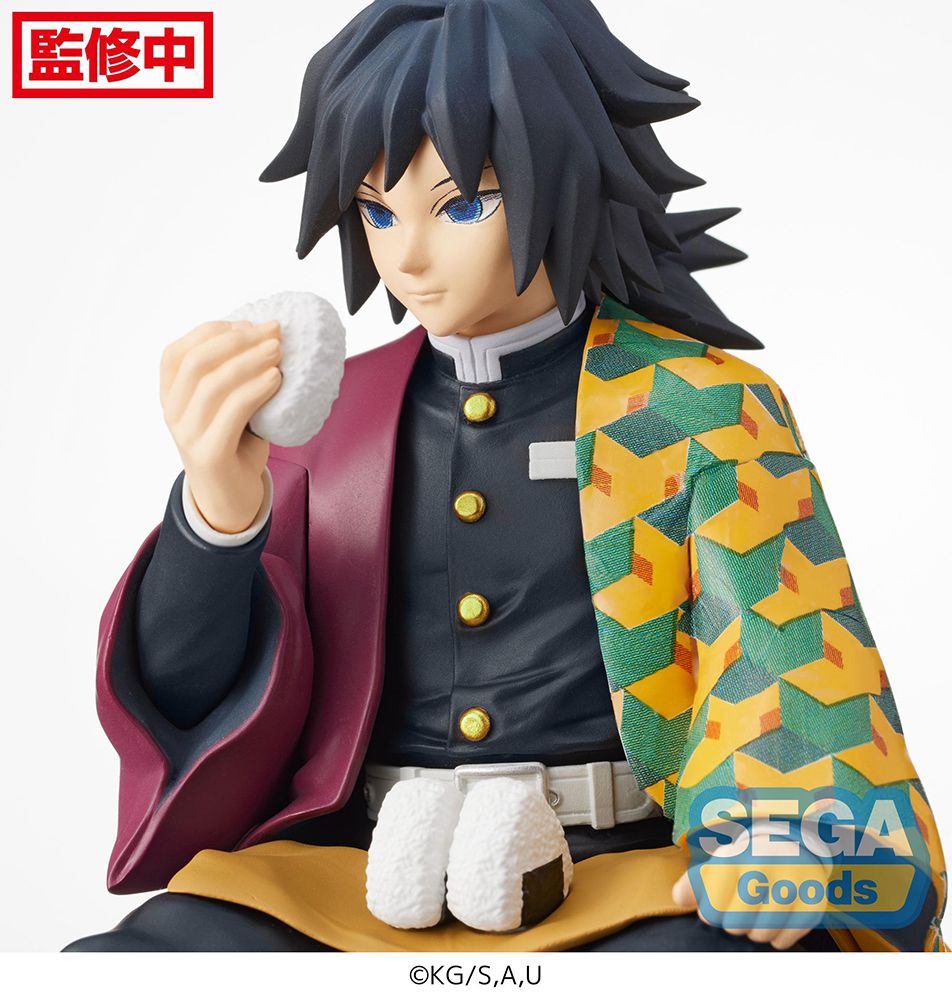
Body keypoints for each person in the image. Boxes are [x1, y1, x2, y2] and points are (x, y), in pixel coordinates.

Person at [65, 0, 945, 952]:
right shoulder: (330, 423)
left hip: (629, 871)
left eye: (461, 204)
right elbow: (197, 704)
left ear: (564, 172)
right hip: (359, 869)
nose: (407, 254)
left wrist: (782, 836)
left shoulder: (697, 406)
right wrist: (217, 513)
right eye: (376, 210)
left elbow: (787, 642)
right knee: (132, 963)